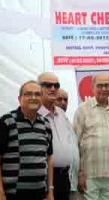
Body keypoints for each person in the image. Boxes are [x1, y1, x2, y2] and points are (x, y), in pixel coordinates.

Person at [0, 80, 54, 200]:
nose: (33, 97)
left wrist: (50, 190)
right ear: (19, 98)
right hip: (12, 195)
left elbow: (49, 157)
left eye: (37, 94)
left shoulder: (46, 124)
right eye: (28, 94)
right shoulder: (6, 121)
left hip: (40, 194)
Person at [73, 73, 109, 200]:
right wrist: (79, 173)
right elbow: (74, 143)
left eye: (107, 85)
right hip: (89, 175)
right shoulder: (82, 109)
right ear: (92, 87)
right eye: (100, 85)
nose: (104, 89)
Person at [37, 72, 74, 200]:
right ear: (38, 88)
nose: (53, 89)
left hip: (64, 178)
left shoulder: (61, 114)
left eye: (56, 85)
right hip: (43, 178)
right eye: (48, 85)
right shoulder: (33, 114)